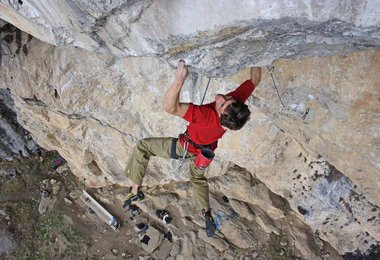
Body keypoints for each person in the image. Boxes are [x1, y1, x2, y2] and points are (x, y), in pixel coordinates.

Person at [124, 60, 261, 237]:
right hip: (204, 153)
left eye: (222, 103)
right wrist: (258, 57)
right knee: (197, 177)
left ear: (221, 116)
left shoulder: (205, 116)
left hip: (185, 147)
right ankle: (206, 213)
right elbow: (255, 79)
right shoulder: (235, 108)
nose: (221, 98)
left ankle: (134, 191)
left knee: (144, 146)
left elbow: (170, 107)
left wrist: (179, 80)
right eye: (227, 99)